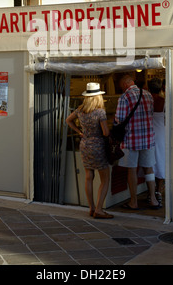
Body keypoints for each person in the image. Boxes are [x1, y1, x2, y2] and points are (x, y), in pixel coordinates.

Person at [66, 82, 113, 219]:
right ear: (98, 97)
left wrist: (79, 132)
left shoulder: (80, 109)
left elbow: (68, 120)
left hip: (85, 144)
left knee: (88, 177)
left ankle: (91, 208)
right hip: (98, 146)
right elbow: (105, 132)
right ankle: (99, 209)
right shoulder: (100, 111)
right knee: (105, 179)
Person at [115, 74, 160, 210]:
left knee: (132, 170)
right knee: (149, 168)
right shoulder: (147, 94)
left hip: (131, 140)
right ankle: (153, 199)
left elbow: (119, 119)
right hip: (147, 138)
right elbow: (150, 114)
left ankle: (133, 202)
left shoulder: (124, 97)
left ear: (124, 84)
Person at [148, 78, 165, 206]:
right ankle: (158, 191)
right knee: (160, 162)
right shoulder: (164, 102)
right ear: (161, 88)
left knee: (149, 164)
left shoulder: (146, 102)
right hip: (161, 135)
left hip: (148, 135)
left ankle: (151, 193)